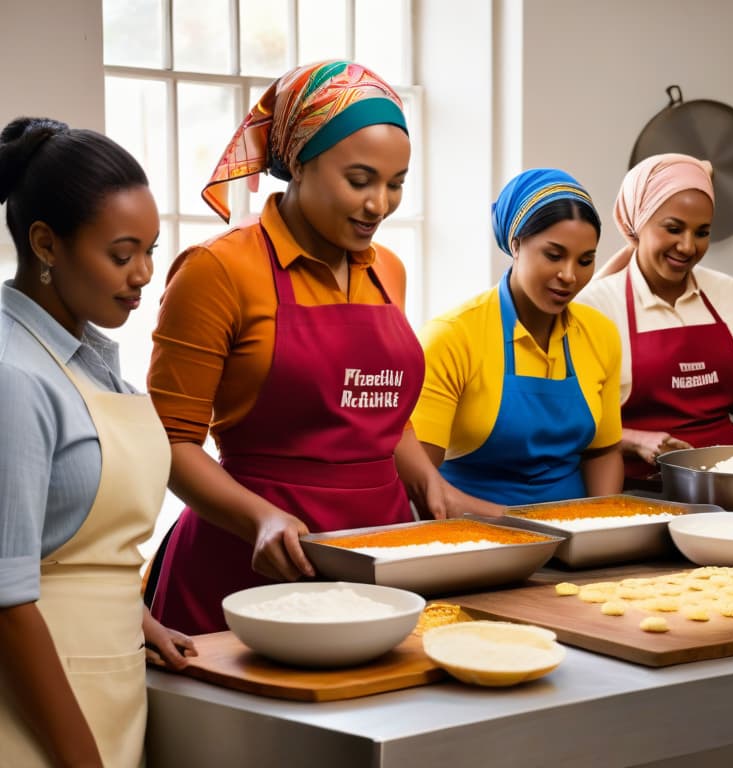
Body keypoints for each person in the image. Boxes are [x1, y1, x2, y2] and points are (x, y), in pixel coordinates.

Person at [147, 60, 497, 637]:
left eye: (396, 183)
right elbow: (170, 442)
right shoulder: (218, 270)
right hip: (248, 560)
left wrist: (425, 481)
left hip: (377, 557)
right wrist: (259, 519)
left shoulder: (388, 270)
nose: (379, 205)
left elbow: (382, 419)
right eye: (359, 180)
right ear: (299, 164)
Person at [0, 117, 195, 768]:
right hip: (38, 709)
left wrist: (139, 621)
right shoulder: (13, 376)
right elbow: (6, 598)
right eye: (121, 253)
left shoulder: (92, 362)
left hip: (109, 682)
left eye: (150, 249)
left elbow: (80, 541)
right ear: (46, 245)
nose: (142, 274)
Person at [412, 168, 624, 504]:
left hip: (578, 534)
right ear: (516, 244)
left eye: (585, 260)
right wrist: (517, 526)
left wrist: (603, 524)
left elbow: (603, 453)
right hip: (475, 535)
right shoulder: (452, 337)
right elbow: (420, 482)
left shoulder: (600, 333)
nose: (569, 275)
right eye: (553, 255)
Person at [576, 153, 733, 486]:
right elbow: (574, 426)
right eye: (673, 229)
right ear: (638, 223)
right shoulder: (597, 305)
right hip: (640, 490)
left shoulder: (729, 293)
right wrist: (637, 439)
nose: (687, 246)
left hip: (730, 483)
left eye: (702, 232)